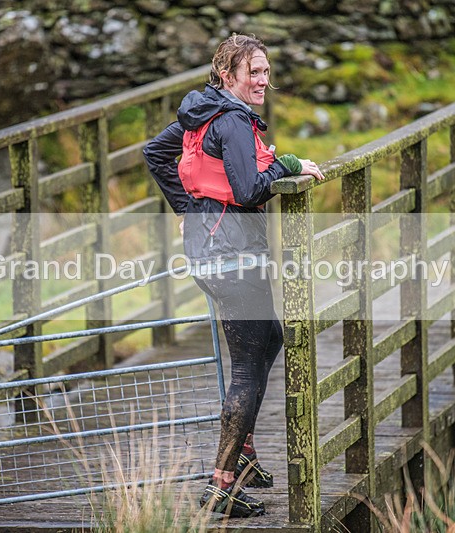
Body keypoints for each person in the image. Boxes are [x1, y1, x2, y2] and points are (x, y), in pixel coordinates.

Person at [143, 33, 324, 518]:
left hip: (211, 249)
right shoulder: (236, 121)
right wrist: (290, 165)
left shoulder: (201, 111)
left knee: (267, 340)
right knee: (247, 363)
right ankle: (221, 485)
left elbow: (154, 154)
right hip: (232, 256)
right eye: (254, 72)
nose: (263, 80)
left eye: (266, 71)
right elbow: (247, 191)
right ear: (229, 75)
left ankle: (240, 457)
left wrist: (189, 208)